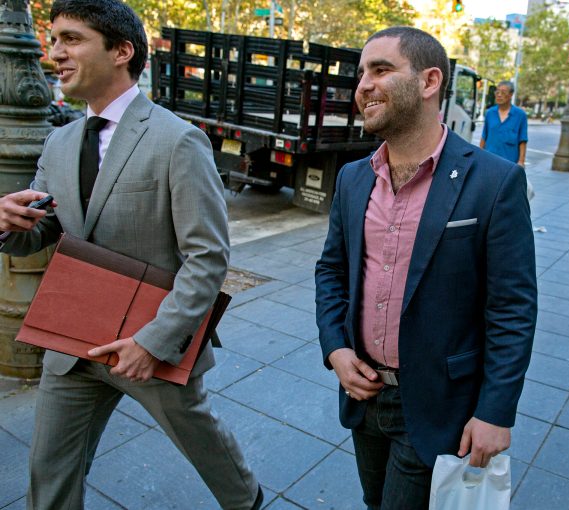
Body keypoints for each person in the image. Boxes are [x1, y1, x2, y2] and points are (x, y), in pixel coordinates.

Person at [0, 1, 262, 508]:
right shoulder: (58, 143)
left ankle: (249, 501)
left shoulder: (178, 140)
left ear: (122, 51)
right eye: (54, 40)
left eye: (71, 40)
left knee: (211, 457)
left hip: (149, 344)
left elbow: (207, 258)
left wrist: (153, 342)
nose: (56, 53)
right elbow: (45, 232)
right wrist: (11, 225)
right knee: (48, 477)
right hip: (71, 346)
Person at [315, 27, 537, 509]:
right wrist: (335, 348)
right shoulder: (354, 179)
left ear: (429, 80)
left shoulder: (495, 183)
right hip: (363, 397)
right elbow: (331, 271)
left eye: (381, 69)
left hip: (441, 403)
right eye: (360, 74)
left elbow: (512, 308)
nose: (363, 86)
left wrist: (496, 412)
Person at [480, 80, 528, 168]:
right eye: (497, 92)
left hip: (509, 163)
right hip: (489, 160)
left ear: (510, 95)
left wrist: (521, 161)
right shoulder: (490, 113)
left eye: (503, 92)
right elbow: (484, 136)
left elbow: (523, 140)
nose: (499, 95)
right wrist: (479, 155)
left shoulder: (520, 115)